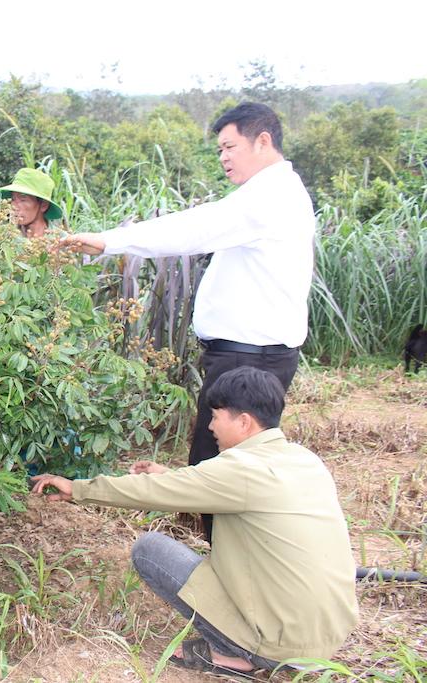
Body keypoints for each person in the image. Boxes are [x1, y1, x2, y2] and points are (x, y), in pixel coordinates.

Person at [59, 102, 315, 542]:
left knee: (225, 467)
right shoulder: (275, 193)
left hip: (248, 358)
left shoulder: (268, 197)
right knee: (225, 462)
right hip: (250, 355)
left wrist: (109, 241)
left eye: (230, 146)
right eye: (219, 149)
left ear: (263, 141)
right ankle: (218, 547)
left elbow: (193, 228)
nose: (224, 157)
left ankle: (222, 557)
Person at [30, 367, 358, 676]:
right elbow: (234, 492)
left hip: (280, 644)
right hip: (326, 637)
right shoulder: (303, 459)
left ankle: (233, 652)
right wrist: (175, 476)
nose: (211, 426)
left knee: (150, 550)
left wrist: (78, 488)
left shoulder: (240, 468)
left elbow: (152, 492)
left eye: (215, 417)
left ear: (244, 422)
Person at [0, 167, 63, 238]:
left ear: (43, 205)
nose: (14, 206)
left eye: (23, 200)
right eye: (13, 199)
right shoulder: (3, 237)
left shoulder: (62, 241)